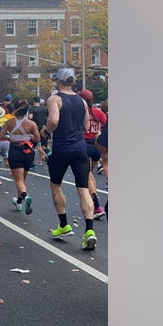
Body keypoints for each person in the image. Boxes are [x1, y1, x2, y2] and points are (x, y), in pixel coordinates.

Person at [45, 68, 98, 250]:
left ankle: (64, 225)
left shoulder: (55, 99)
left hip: (61, 150)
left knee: (56, 185)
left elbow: (53, 121)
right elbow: (85, 125)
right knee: (83, 189)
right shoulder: (81, 101)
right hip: (80, 149)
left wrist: (46, 130)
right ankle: (90, 230)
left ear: (58, 81)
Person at [1, 99, 41, 215]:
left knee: (18, 179)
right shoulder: (31, 124)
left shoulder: (9, 122)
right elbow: (37, 139)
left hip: (15, 150)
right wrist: (29, 136)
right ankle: (19, 202)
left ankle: (25, 196)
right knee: (23, 179)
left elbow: (1, 135)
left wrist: (11, 137)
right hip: (28, 151)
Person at [79, 89, 107, 218]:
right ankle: (91, 200)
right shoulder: (98, 112)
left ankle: (96, 206)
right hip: (96, 146)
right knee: (88, 174)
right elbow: (107, 124)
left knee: (88, 175)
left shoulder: (79, 112)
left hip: (84, 144)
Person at [28, 96, 50, 164]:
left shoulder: (31, 108)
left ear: (33, 101)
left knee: (32, 145)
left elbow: (30, 117)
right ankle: (42, 158)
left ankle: (32, 162)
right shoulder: (45, 109)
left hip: (35, 128)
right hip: (43, 128)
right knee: (43, 144)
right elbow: (49, 117)